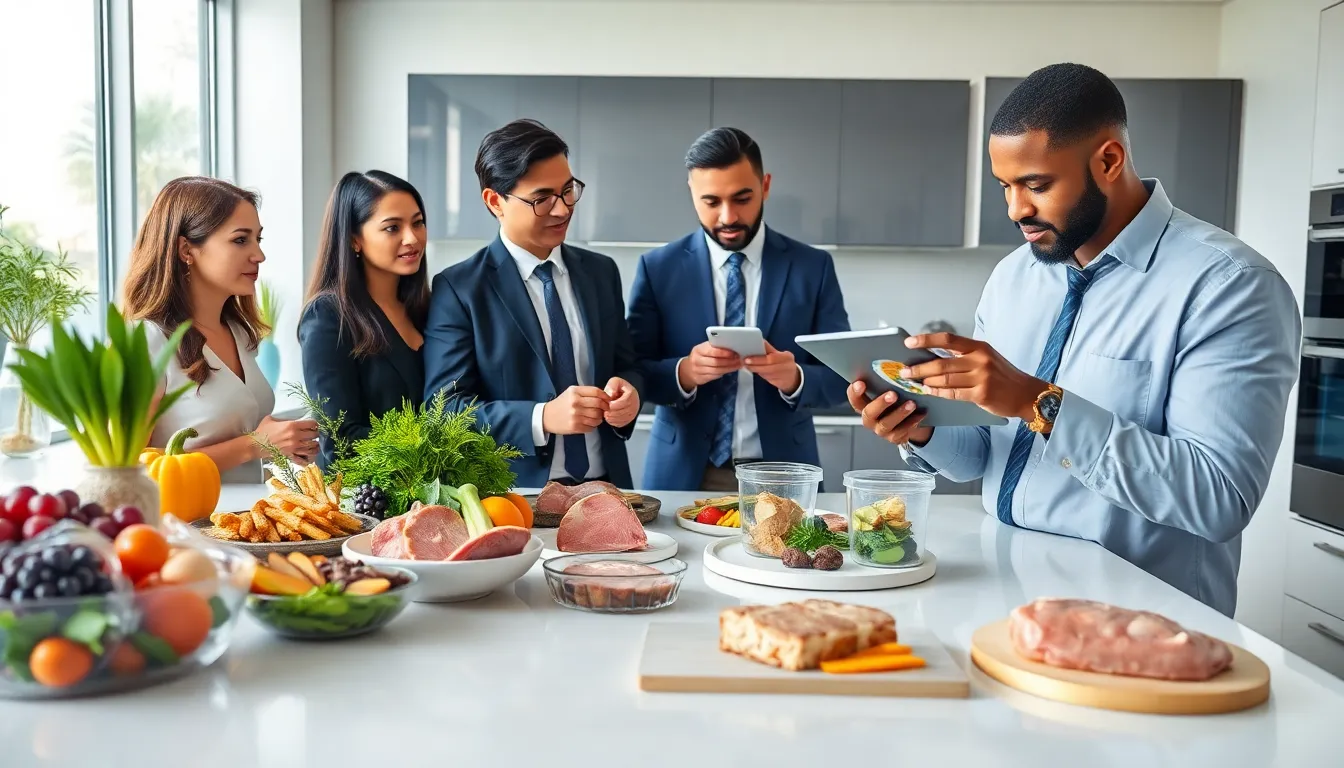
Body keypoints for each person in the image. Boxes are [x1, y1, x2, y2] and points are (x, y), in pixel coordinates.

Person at [848, 63, 1301, 617]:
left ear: (1108, 161)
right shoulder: (1013, 276)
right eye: (1006, 187)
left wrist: (1039, 404)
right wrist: (921, 429)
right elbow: (978, 461)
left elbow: (1218, 499)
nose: (1016, 210)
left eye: (1036, 185)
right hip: (1003, 594)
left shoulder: (1230, 287)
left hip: (1143, 620)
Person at [627, 127, 852, 492]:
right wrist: (685, 373)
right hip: (684, 474)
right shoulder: (658, 268)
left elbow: (844, 376)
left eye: (742, 198)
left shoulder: (813, 267)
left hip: (784, 474)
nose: (728, 217)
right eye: (711, 201)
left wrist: (795, 378)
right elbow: (632, 370)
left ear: (765, 186)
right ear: (692, 193)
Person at [422, 119, 644, 488]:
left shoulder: (601, 273)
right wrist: (542, 417)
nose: (562, 210)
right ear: (495, 202)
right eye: (542, 199)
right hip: (518, 496)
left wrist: (630, 396)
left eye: (568, 191)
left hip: (609, 489)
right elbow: (445, 412)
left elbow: (627, 366)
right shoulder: (460, 289)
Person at [124, 176, 319, 484]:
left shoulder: (238, 332)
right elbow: (126, 469)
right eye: (240, 240)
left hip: (242, 525)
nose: (259, 255)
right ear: (186, 249)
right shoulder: (144, 342)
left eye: (258, 239)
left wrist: (284, 443)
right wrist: (254, 445)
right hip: (183, 527)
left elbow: (249, 440)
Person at [299, 171, 430, 470]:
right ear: (354, 239)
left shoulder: (428, 307)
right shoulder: (327, 316)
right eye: (392, 227)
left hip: (438, 494)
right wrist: (434, 454)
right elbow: (341, 440)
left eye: (418, 223)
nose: (412, 238)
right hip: (363, 502)